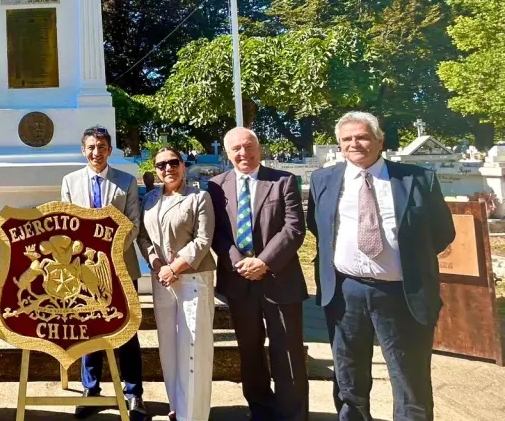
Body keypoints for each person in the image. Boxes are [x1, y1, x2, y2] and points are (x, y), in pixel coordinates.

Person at [307, 112, 454, 421]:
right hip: (345, 293)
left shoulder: (417, 179)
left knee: (410, 379)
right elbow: (318, 227)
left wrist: (406, 260)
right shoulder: (323, 180)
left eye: (362, 137)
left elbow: (442, 232)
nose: (354, 144)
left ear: (379, 140)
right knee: (348, 378)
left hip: (402, 293)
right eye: (347, 139)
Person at [208, 127, 308, 421]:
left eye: (249, 146)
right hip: (239, 282)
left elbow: (294, 228)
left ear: (259, 147)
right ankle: (261, 409)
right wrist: (238, 262)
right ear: (227, 154)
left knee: (287, 350)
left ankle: (291, 413)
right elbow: (216, 232)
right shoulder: (216, 186)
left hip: (280, 279)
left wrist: (263, 262)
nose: (244, 153)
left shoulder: (283, 181)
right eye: (236, 148)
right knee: (250, 350)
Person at [61, 126, 146, 420]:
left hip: (121, 266)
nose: (96, 152)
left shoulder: (126, 181)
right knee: (90, 329)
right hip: (84, 270)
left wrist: (110, 253)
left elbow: (133, 223)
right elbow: (67, 226)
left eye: (101, 147)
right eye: (91, 147)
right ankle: (91, 390)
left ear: (110, 150)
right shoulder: (70, 182)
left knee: (127, 330)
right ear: (83, 150)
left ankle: (134, 393)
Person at [136, 148, 215, 421]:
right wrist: (157, 263)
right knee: (168, 346)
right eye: (161, 165)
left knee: (192, 347)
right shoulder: (150, 199)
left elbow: (203, 240)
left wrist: (174, 267)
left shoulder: (198, 197)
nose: (167, 168)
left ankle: (191, 414)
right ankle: (176, 405)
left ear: (183, 165)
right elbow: (143, 237)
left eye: (173, 162)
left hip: (192, 277)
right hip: (162, 279)